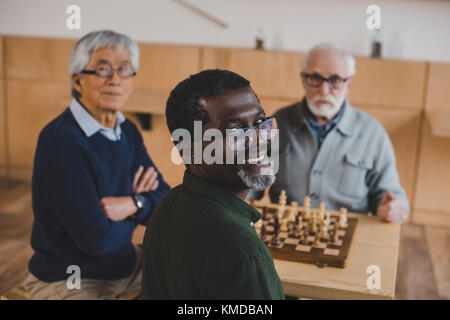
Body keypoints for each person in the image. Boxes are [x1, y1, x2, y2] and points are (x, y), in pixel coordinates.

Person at [23, 30, 170, 299]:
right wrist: (142, 206)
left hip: (126, 267)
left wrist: (132, 203)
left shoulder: (128, 131)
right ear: (78, 80)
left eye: (125, 70)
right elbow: (96, 241)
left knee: (199, 273)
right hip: (69, 278)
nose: (115, 79)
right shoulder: (61, 142)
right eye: (103, 69)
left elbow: (165, 203)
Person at [141, 69, 285, 299]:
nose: (259, 140)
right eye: (236, 132)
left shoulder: (169, 204)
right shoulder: (242, 252)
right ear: (189, 150)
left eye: (260, 122)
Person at [259, 43, 409, 223]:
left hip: (347, 236)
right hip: (287, 231)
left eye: (335, 80)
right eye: (315, 78)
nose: (323, 90)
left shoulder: (373, 132)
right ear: (303, 79)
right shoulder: (277, 123)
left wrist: (395, 207)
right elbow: (249, 185)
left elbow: (389, 194)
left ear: (349, 84)